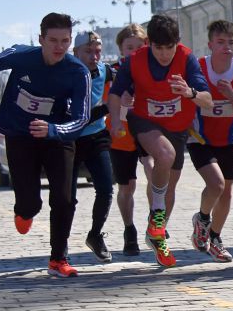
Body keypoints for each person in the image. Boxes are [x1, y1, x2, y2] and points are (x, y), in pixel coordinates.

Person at [0, 13, 91, 277]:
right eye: (53, 40)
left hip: (56, 136)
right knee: (29, 203)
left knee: (64, 198)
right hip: (19, 134)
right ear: (41, 39)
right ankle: (24, 210)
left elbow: (81, 118)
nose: (59, 47)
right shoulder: (21, 55)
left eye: (65, 41)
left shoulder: (77, 71)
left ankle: (59, 258)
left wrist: (55, 129)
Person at [108, 14, 212, 267]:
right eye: (158, 48)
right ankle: (156, 216)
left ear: (178, 42)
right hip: (144, 120)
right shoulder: (134, 61)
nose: (164, 54)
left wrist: (189, 92)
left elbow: (207, 99)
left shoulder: (187, 59)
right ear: (148, 44)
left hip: (177, 126)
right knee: (164, 155)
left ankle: (157, 234)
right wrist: (117, 120)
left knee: (171, 184)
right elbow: (115, 94)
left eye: (169, 47)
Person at [186, 20, 233, 262]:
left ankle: (215, 237)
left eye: (231, 42)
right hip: (200, 138)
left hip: (229, 138)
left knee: (227, 192)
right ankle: (202, 218)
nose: (227, 47)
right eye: (221, 42)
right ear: (210, 44)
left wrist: (231, 96)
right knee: (216, 185)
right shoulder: (198, 68)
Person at [105, 24, 155, 257]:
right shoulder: (112, 72)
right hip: (121, 136)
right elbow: (106, 102)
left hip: (146, 130)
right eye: (129, 47)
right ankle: (129, 229)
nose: (135, 51)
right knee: (127, 186)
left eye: (140, 46)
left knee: (154, 172)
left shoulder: (153, 69)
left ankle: (155, 221)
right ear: (121, 48)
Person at [70, 31, 114, 263]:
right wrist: (107, 108)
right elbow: (78, 116)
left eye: (97, 51)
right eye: (88, 51)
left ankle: (95, 235)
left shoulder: (105, 71)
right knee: (66, 198)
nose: (93, 56)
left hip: (96, 135)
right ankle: (60, 244)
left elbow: (127, 78)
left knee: (106, 189)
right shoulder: (66, 71)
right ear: (75, 52)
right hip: (69, 138)